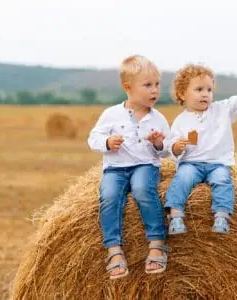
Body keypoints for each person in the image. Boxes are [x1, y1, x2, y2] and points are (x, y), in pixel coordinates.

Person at [164, 64, 237, 235]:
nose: (205, 94)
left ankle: (221, 216)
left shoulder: (222, 110)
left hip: (218, 163)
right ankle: (176, 215)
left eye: (209, 89)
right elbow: (171, 146)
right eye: (199, 89)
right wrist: (177, 147)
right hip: (191, 163)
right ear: (182, 94)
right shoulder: (180, 120)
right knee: (182, 179)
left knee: (222, 181)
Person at [88, 55, 170, 279]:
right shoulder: (111, 114)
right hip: (115, 168)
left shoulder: (158, 119)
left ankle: (157, 242)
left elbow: (167, 150)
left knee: (144, 190)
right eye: (147, 85)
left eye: (157, 85)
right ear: (128, 87)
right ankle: (114, 251)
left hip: (145, 165)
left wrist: (158, 143)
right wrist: (107, 143)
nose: (154, 90)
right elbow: (93, 139)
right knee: (109, 196)